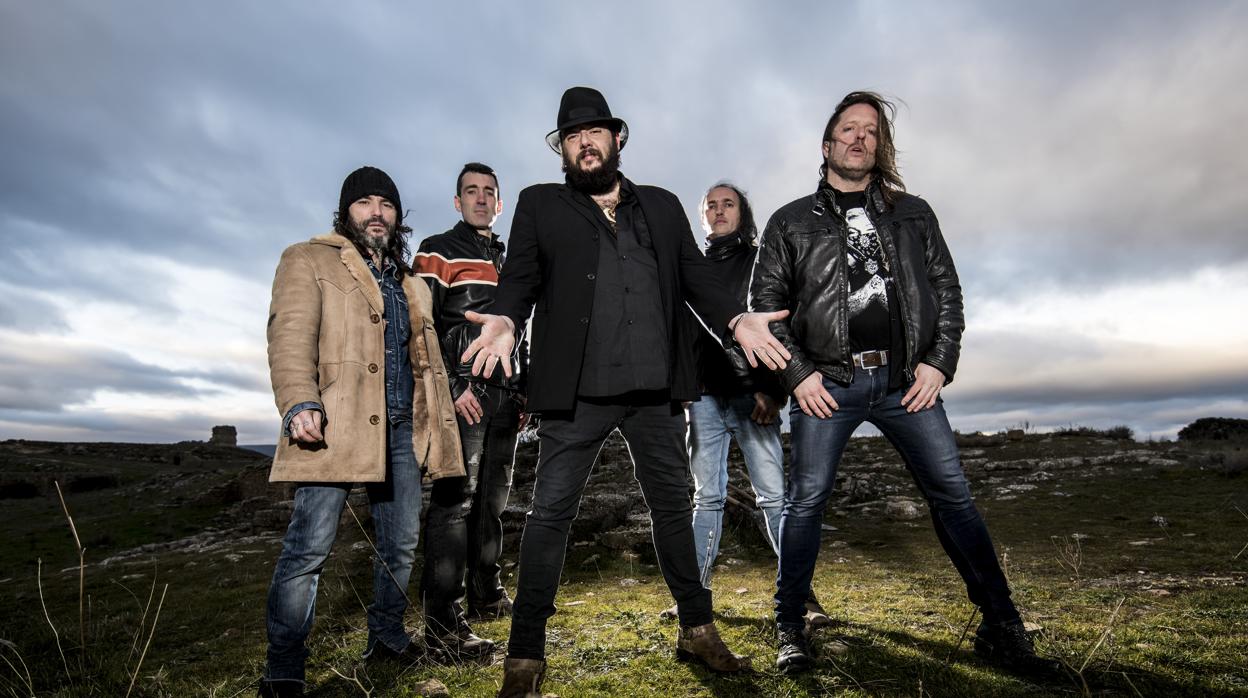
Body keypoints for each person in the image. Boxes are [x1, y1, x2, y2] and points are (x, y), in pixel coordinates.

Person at [460, 86, 793, 697]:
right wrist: (505, 318)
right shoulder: (540, 204)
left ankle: (697, 629)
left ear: (617, 138)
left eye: (594, 132)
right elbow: (522, 278)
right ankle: (524, 658)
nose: (584, 143)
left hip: (655, 392)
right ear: (563, 150)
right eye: (572, 136)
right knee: (549, 517)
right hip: (577, 394)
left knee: (673, 509)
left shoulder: (662, 205)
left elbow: (695, 277)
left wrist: (735, 320)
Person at [751, 92, 1060, 675]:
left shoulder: (913, 213)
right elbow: (766, 308)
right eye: (848, 128)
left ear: (881, 146)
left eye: (871, 131)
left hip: (905, 383)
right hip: (828, 385)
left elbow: (947, 291)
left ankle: (1002, 627)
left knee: (954, 498)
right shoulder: (790, 221)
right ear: (827, 143)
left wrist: (939, 361)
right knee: (806, 502)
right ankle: (790, 624)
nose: (859, 138)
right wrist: (798, 375)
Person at [259, 166, 463, 697]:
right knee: (308, 550)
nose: (377, 213)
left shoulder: (410, 282)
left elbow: (426, 361)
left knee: (400, 546)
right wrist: (299, 402)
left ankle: (388, 638)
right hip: (334, 423)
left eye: (387, 204)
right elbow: (289, 336)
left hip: (402, 430)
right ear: (345, 212)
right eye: (365, 202)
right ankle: (283, 670)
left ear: (397, 217)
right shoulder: (308, 258)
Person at [412, 162, 525, 661]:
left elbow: (521, 328)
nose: (481, 198)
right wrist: (453, 386)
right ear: (457, 202)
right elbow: (421, 326)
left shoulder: (512, 259)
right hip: (464, 393)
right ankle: (443, 623)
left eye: (489, 192)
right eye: (471, 191)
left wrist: (524, 391)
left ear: (499, 204)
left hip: (506, 395)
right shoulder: (437, 250)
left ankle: (487, 593)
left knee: (492, 502)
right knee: (454, 502)